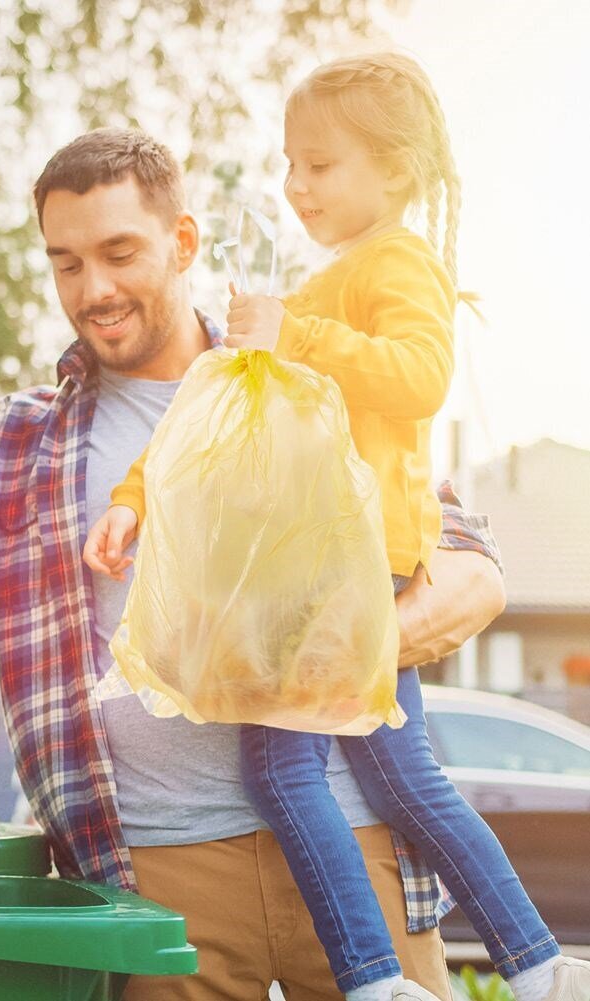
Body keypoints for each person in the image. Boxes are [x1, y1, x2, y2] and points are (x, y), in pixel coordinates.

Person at [0, 127, 512, 1001]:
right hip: (157, 873)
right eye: (65, 263)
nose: (93, 289)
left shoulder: (305, 373)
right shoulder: (22, 447)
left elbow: (469, 564)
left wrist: (339, 652)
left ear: (182, 242)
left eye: (118, 252)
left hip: (353, 839)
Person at [84, 58, 590, 1001]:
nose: (295, 185)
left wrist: (292, 335)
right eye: (290, 165)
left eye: (321, 164)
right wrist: (134, 496)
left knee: (279, 767)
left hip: (345, 569)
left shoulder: (395, 263)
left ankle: (370, 976)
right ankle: (538, 962)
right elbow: (210, 421)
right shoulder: (331, 280)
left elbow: (418, 376)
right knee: (408, 780)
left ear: (394, 173)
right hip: (333, 567)